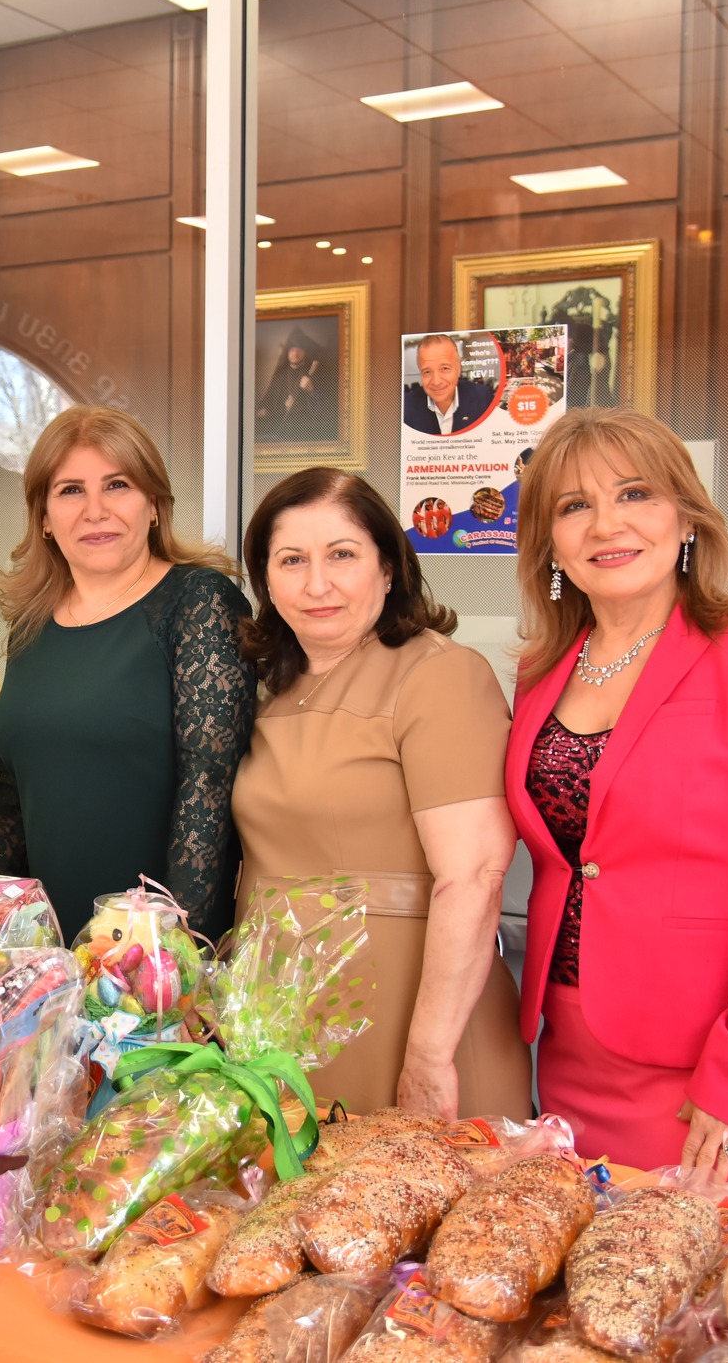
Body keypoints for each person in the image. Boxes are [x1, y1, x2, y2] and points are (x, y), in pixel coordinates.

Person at [506, 408, 728, 1178]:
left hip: (713, 1060)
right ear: (549, 541)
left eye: (635, 494)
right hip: (569, 1046)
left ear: (684, 516)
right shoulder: (541, 670)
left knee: (698, 1288)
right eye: (574, 505)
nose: (606, 524)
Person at [231, 467, 531, 1120]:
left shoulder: (440, 675)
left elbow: (475, 875)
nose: (317, 583)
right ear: (266, 580)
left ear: (390, 568)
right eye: (291, 560)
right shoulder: (272, 691)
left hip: (410, 1024)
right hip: (290, 1029)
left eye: (342, 554)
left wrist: (427, 1053)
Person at [0, 406, 255, 939]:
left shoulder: (200, 604)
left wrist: (170, 956)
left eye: (118, 485)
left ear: (153, 504)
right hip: (42, 958)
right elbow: (9, 799)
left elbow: (208, 796)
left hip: (147, 963)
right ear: (43, 517)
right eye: (70, 491)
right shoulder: (30, 624)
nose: (96, 510)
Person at [402, 334, 497, 437]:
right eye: (427, 372)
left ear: (458, 368)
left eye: (445, 368)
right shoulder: (405, 409)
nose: (436, 381)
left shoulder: (482, 399)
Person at [255, 330, 335, 443]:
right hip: (279, 424)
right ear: (287, 353)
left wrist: (311, 391)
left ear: (305, 353)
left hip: (303, 427)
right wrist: (264, 410)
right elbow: (268, 400)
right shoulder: (280, 375)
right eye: (292, 350)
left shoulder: (314, 373)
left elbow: (327, 407)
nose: (295, 353)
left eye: (299, 350)